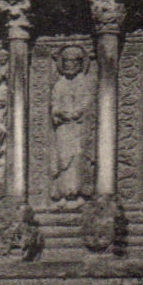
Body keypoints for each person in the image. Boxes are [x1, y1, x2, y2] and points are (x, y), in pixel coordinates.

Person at [51, 45, 95, 200]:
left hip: (79, 127)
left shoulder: (84, 82)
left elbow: (88, 102)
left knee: (78, 157)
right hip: (64, 127)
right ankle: (63, 192)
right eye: (66, 62)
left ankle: (77, 192)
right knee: (63, 159)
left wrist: (79, 111)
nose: (69, 65)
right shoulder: (60, 84)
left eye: (73, 62)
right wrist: (58, 112)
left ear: (80, 64)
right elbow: (54, 104)